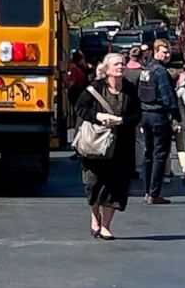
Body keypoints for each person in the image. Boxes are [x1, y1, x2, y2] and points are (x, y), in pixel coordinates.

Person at [75, 53, 141, 240]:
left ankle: (106, 225)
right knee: (93, 184)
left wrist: (120, 120)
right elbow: (80, 108)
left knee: (115, 187)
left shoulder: (129, 89)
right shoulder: (95, 88)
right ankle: (95, 217)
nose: (120, 66)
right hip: (96, 146)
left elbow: (137, 115)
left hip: (121, 147)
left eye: (122, 63)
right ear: (107, 69)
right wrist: (99, 117)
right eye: (116, 64)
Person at [137, 39, 179, 205]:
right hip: (158, 115)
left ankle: (147, 191)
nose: (167, 55)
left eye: (168, 52)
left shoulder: (146, 70)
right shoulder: (161, 71)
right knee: (160, 155)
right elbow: (168, 96)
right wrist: (175, 116)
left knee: (148, 154)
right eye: (164, 52)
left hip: (145, 114)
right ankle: (154, 193)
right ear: (155, 51)